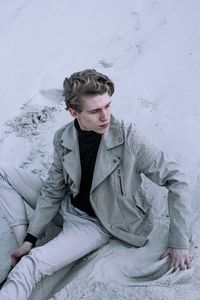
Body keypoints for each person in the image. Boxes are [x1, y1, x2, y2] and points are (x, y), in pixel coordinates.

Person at [0, 69, 191, 299]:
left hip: (95, 223)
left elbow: (177, 178)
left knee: (30, 267)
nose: (105, 117)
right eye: (95, 111)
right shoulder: (63, 137)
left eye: (108, 106)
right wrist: (30, 238)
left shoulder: (129, 137)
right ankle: (24, 243)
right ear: (73, 112)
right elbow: (53, 190)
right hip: (67, 205)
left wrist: (180, 241)